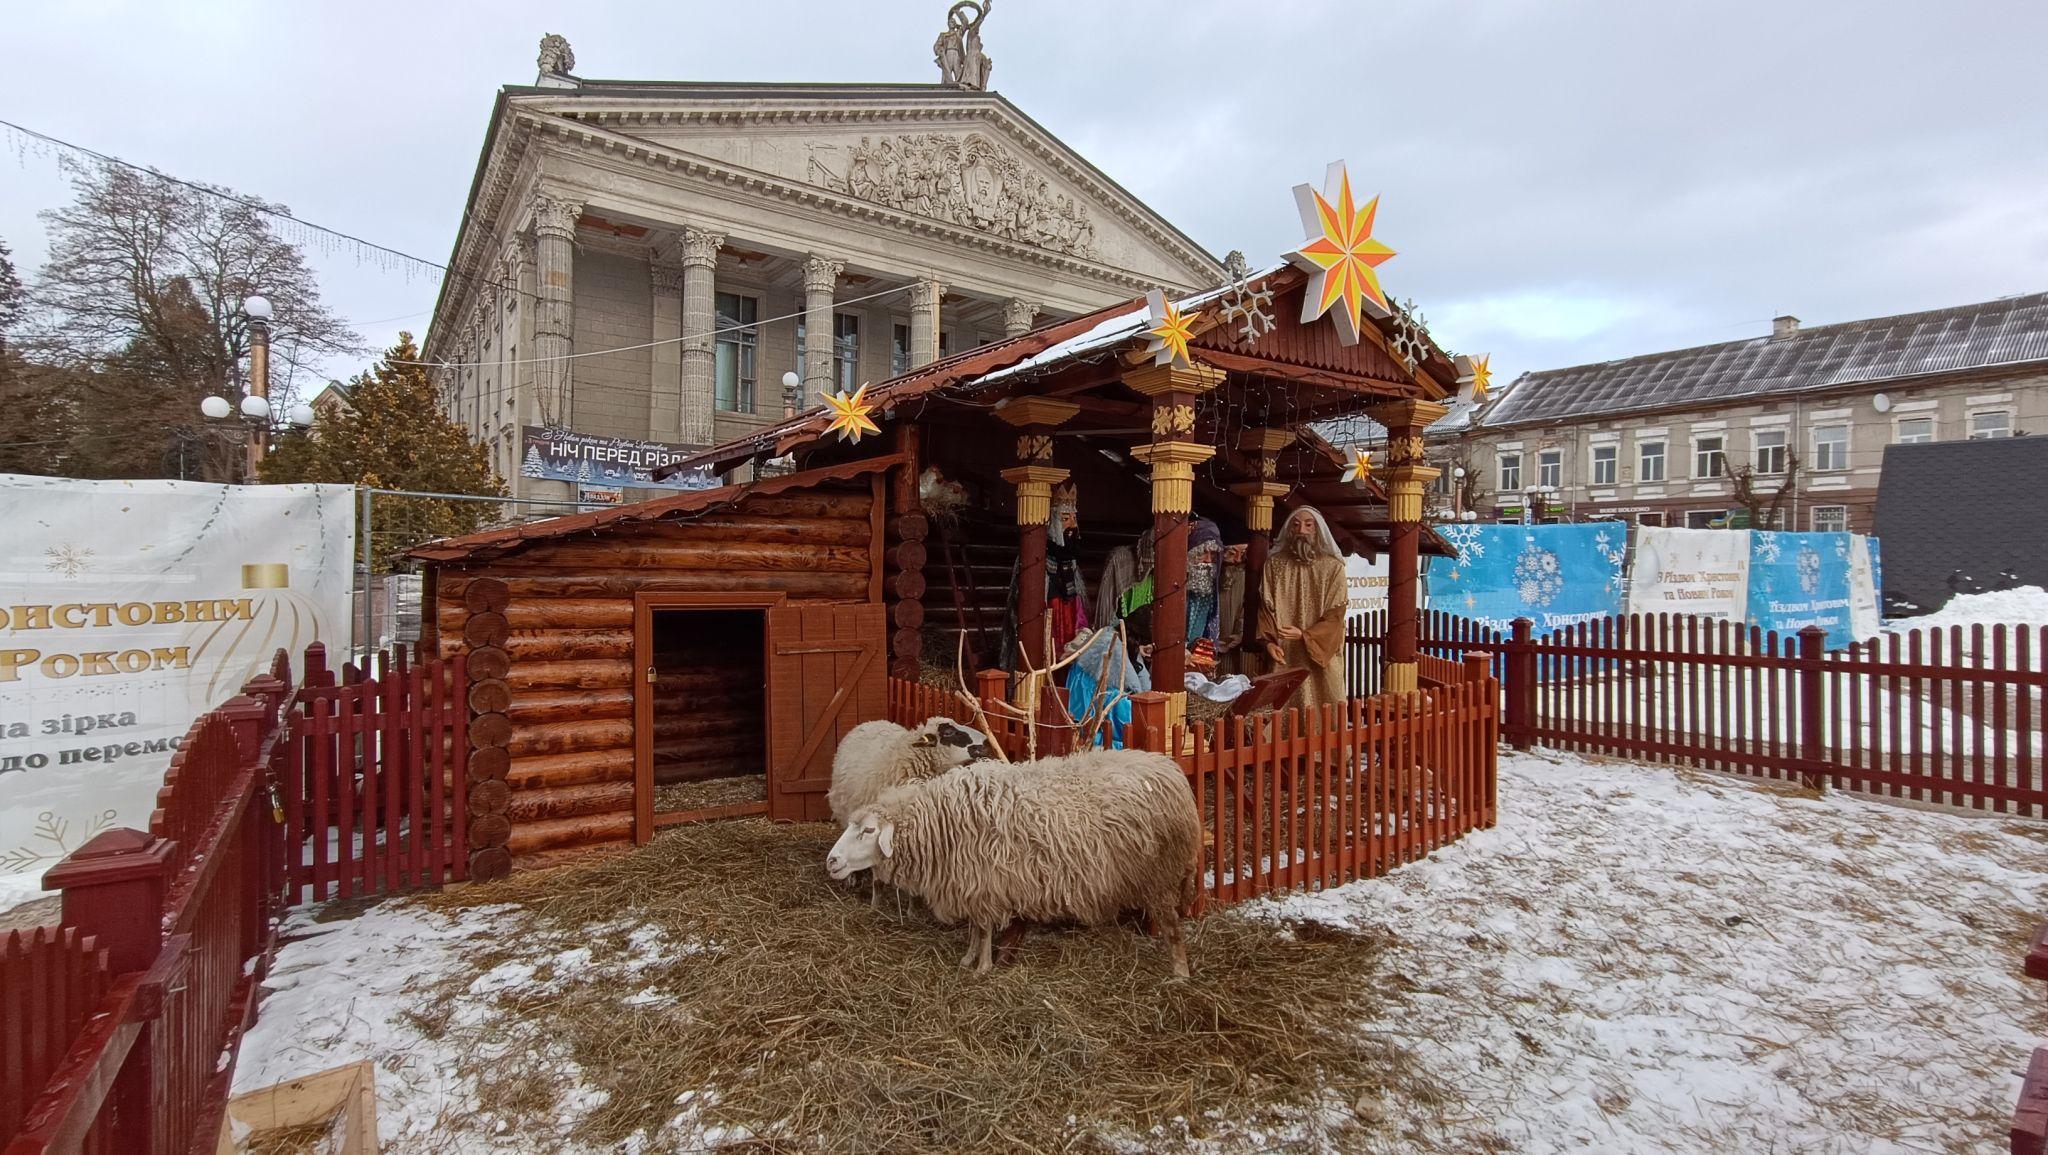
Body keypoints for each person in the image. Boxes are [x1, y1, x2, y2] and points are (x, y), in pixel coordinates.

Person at [1257, 506, 1349, 711]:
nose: (1302, 531)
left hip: (1320, 656)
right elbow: (1266, 609)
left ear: (1318, 530)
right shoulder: (1274, 565)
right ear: (1289, 530)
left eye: (1309, 525)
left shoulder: (1333, 567)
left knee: (1324, 705)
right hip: (1285, 653)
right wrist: (1268, 642)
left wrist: (1305, 635)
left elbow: (1335, 615)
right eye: (1296, 525)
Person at [1217, 541, 1248, 676]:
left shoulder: (1244, 575)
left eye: (1243, 554)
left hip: (1232, 648)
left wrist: (1240, 634)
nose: (1238, 560)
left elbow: (1245, 608)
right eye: (1231, 553)